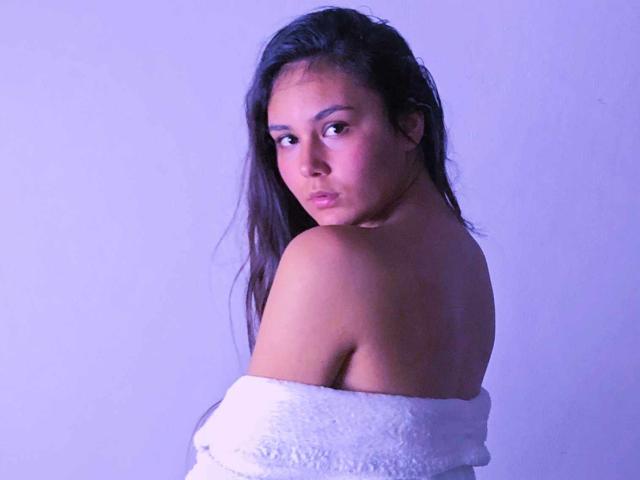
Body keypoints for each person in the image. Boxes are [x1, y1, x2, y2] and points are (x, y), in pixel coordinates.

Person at [186, 6, 495, 479]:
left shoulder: (331, 258)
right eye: (286, 140)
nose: (307, 165)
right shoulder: (466, 263)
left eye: (335, 128)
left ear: (410, 124)